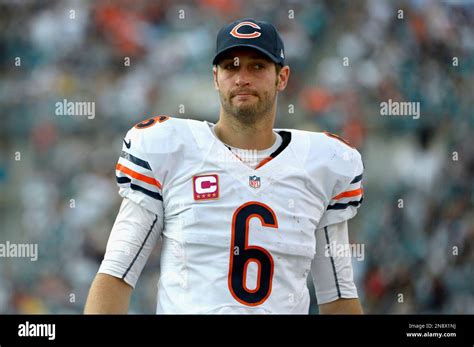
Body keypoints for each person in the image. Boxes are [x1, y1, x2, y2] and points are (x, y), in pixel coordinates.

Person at [84, 18, 364, 314]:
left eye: (257, 66)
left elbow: (338, 296)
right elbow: (116, 274)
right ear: (216, 77)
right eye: (231, 66)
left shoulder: (322, 164)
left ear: (282, 77)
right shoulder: (169, 149)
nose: (242, 78)